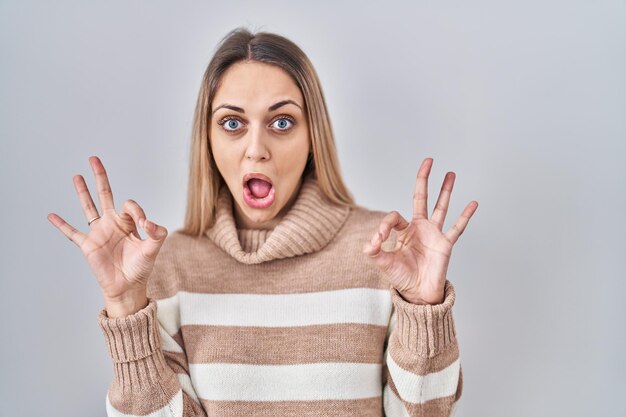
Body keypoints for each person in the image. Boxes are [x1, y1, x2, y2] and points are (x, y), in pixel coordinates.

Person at [47, 27, 478, 417]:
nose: (256, 149)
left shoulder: (384, 255)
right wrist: (125, 309)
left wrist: (424, 310)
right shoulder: (166, 268)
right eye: (232, 123)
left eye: (282, 122)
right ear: (208, 139)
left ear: (313, 138)